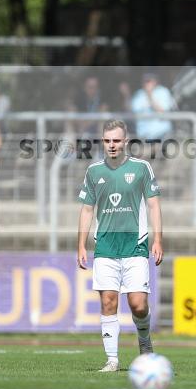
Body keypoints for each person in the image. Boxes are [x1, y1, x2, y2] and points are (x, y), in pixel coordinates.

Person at [77, 119, 163, 372]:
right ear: (102, 142)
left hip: (135, 245)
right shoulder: (94, 171)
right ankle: (112, 360)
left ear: (126, 141)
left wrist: (158, 238)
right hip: (105, 246)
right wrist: (81, 244)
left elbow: (154, 204)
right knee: (108, 302)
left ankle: (144, 340)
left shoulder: (141, 168)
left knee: (138, 304)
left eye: (116, 140)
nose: (112, 145)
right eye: (107, 141)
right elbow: (86, 210)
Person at [131, 73, 177, 140]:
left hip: (162, 134)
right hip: (144, 135)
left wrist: (149, 95)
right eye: (145, 81)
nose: (147, 83)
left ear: (155, 81)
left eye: (149, 81)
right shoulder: (139, 94)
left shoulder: (163, 91)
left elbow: (162, 111)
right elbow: (133, 112)